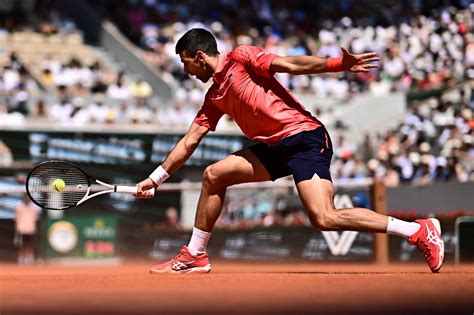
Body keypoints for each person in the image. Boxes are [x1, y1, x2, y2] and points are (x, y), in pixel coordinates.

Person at [136, 28, 444, 274]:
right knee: (214, 175)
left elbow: (290, 64)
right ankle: (196, 254)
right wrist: (156, 178)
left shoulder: (242, 58)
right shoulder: (214, 96)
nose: (185, 70)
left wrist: (338, 64)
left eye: (185, 62)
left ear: (200, 56)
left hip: (305, 138)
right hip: (275, 148)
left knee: (324, 217)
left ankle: (418, 231)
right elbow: (189, 141)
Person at [14, 193, 39, 265]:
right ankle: (21, 258)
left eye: (28, 197)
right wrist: (17, 228)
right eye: (25, 197)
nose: (26, 198)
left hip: (30, 229)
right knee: (22, 245)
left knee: (30, 244)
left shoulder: (33, 207)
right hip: (21, 229)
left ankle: (29, 258)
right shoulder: (19, 207)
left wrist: (34, 228)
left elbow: (35, 218)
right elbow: (17, 218)